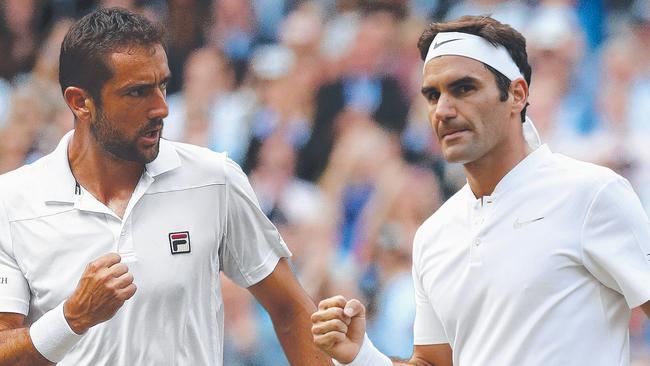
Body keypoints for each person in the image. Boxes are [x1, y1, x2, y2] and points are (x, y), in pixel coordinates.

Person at [311, 15, 650, 366]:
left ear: (516, 95)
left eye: (463, 89)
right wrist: (362, 357)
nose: (443, 110)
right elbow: (433, 363)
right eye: (432, 95)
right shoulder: (433, 234)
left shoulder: (592, 194)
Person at [0, 7, 332, 366]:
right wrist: (71, 320)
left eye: (162, 85)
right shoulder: (12, 201)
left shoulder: (214, 178)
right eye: (137, 92)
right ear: (80, 102)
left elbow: (290, 309)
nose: (161, 108)